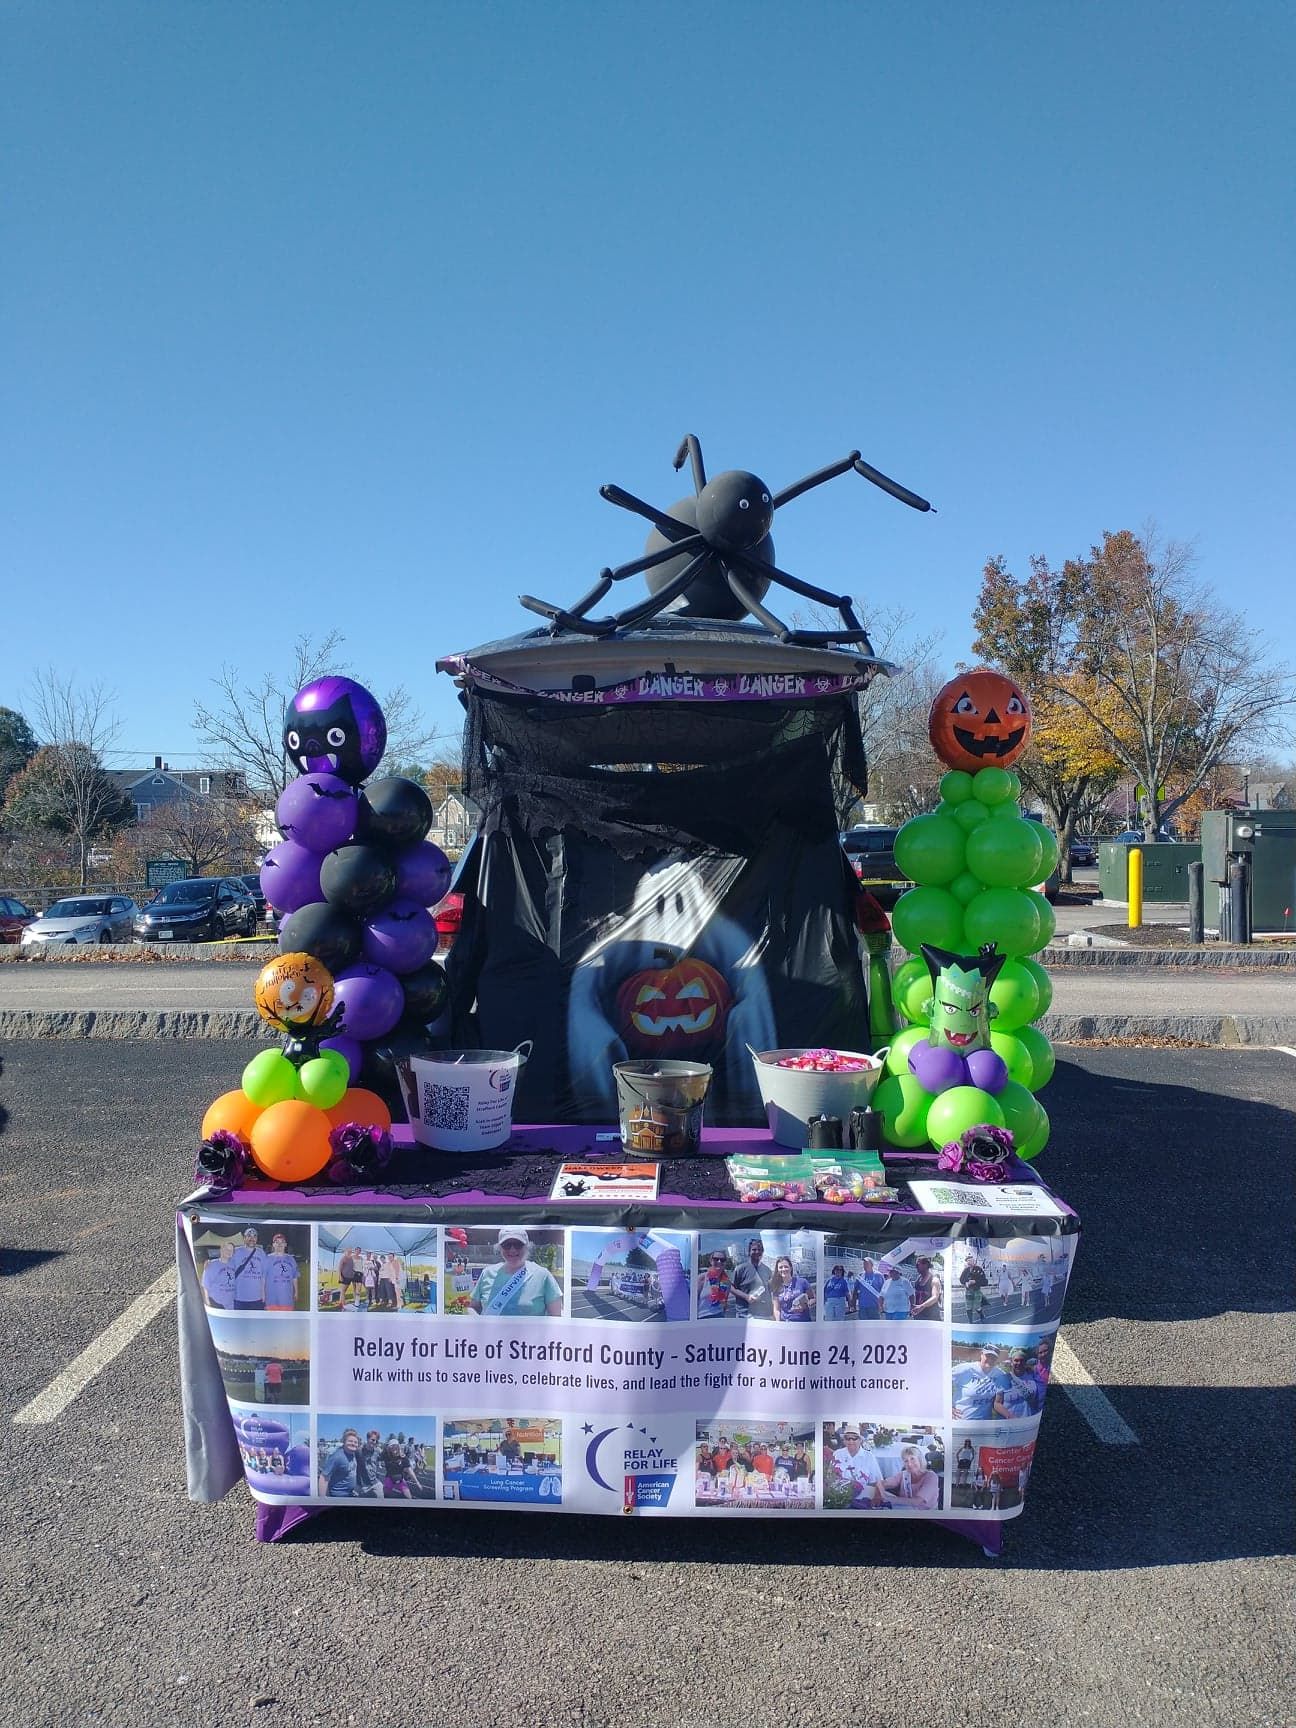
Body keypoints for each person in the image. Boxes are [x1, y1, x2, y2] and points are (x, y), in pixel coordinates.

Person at [470, 1226, 563, 1316]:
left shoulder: (543, 1275)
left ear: (527, 1246)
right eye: (506, 1245)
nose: (512, 1250)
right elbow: (473, 1307)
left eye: (518, 1244)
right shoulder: (487, 1273)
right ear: (499, 1248)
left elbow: (555, 1316)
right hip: (491, 1332)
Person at [873, 1445, 941, 1510]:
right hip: (905, 1510)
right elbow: (880, 1483)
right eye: (906, 1461)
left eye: (912, 1459)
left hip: (926, 1515)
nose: (909, 1464)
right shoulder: (903, 1474)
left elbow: (917, 1501)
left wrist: (886, 1497)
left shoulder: (931, 1476)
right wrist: (877, 1495)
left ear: (920, 1459)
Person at [952, 1345, 1006, 1419]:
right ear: (981, 1354)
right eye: (988, 1356)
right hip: (961, 1421)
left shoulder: (999, 1374)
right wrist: (947, 1407)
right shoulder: (965, 1369)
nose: (990, 1359)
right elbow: (939, 1380)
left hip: (984, 1423)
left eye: (993, 1357)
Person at [832, 1427, 882, 1501]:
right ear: (844, 1441)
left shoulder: (869, 1456)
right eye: (847, 1438)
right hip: (840, 1497)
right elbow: (830, 1477)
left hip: (863, 1496)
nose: (851, 1441)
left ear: (860, 1440)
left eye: (854, 1438)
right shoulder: (837, 1454)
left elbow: (876, 1481)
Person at [730, 1238, 773, 1320]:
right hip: (744, 1314)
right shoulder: (740, 1269)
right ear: (749, 1252)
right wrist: (746, 1297)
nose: (757, 1252)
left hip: (763, 1315)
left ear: (762, 1252)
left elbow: (770, 1290)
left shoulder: (767, 1270)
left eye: (759, 1250)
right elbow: (731, 1288)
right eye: (754, 1249)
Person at [996, 1348, 1041, 1418]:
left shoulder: (1033, 1377)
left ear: (1025, 1362)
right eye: (1016, 1360)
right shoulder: (1003, 1379)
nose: (1019, 1363)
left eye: (1022, 1360)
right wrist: (1010, 1416)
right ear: (1011, 1362)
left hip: (1028, 1422)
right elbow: (997, 1403)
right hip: (1008, 1423)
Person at [231, 1228, 267, 1310]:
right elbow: (224, 1262)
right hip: (239, 1298)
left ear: (257, 1239)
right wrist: (210, 1263)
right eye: (249, 1236)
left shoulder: (261, 1253)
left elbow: (264, 1276)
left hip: (257, 1298)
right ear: (244, 1238)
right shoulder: (236, 1252)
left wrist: (263, 1294)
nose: (252, 1238)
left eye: (254, 1236)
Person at [319, 1428, 360, 1496]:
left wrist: (352, 1490)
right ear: (344, 1442)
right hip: (339, 1496)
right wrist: (322, 1499)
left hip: (350, 1493)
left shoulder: (353, 1454)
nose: (353, 1444)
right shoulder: (337, 1456)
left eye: (355, 1442)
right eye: (350, 1441)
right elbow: (323, 1477)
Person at [771, 1255, 813, 1322]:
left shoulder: (802, 1282)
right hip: (785, 1324)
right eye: (780, 1267)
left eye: (786, 1267)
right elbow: (777, 1309)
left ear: (790, 1268)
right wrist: (778, 1323)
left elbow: (813, 1299)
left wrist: (806, 1305)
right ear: (777, 1270)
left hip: (802, 1323)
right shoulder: (776, 1287)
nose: (783, 1269)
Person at [264, 1233, 299, 1312]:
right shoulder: (267, 1259)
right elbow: (263, 1279)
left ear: (285, 1244)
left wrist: (296, 1292)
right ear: (273, 1244)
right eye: (277, 1242)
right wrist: (263, 1294)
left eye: (282, 1242)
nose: (279, 1244)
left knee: (287, 1323)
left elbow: (295, 1277)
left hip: (287, 1300)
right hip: (271, 1300)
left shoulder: (291, 1259)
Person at [697, 1251, 734, 1318]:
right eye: (716, 1259)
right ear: (711, 1261)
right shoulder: (702, 1278)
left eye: (722, 1260)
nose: (719, 1261)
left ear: (725, 1263)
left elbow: (724, 1303)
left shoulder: (727, 1282)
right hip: (702, 1318)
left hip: (719, 1317)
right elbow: (693, 1302)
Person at [201, 1241, 237, 1310]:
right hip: (216, 1304)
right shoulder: (211, 1265)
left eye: (231, 1250)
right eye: (227, 1249)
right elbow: (205, 1286)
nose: (229, 1252)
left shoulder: (234, 1264)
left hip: (231, 1305)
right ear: (221, 1250)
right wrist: (208, 1304)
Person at [911, 1255, 943, 1321]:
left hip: (931, 1316)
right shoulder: (918, 1279)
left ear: (925, 1265)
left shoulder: (934, 1280)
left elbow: (935, 1297)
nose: (916, 1267)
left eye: (918, 1265)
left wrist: (922, 1306)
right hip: (919, 1315)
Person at [356, 1430, 385, 1499]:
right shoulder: (358, 1451)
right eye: (373, 1440)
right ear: (367, 1438)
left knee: (381, 1499)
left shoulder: (377, 1451)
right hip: (362, 1485)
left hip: (374, 1482)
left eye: (376, 1441)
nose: (374, 1442)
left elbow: (386, 1457)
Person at [959, 1256, 989, 1322]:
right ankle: (970, 1321)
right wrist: (966, 1282)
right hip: (968, 1291)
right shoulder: (965, 1270)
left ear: (974, 1261)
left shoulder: (979, 1269)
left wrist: (975, 1281)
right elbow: (961, 1279)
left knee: (977, 1307)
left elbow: (985, 1281)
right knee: (968, 1307)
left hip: (977, 1291)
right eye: (968, 1261)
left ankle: (981, 1315)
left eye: (970, 1260)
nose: (969, 1262)